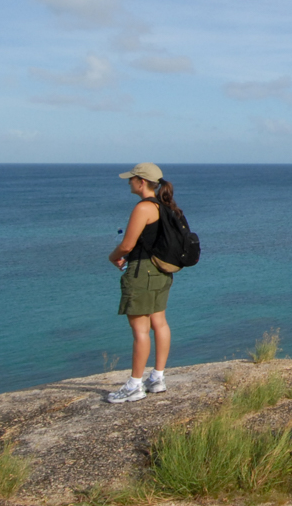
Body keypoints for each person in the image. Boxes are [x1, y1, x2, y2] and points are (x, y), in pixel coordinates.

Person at [104, 162, 179, 404]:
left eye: (132, 178)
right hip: (161, 271)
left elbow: (127, 245)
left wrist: (113, 257)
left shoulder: (144, 207)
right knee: (160, 323)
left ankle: (135, 385)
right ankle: (157, 378)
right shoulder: (165, 206)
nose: (129, 182)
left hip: (142, 272)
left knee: (140, 330)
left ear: (142, 182)